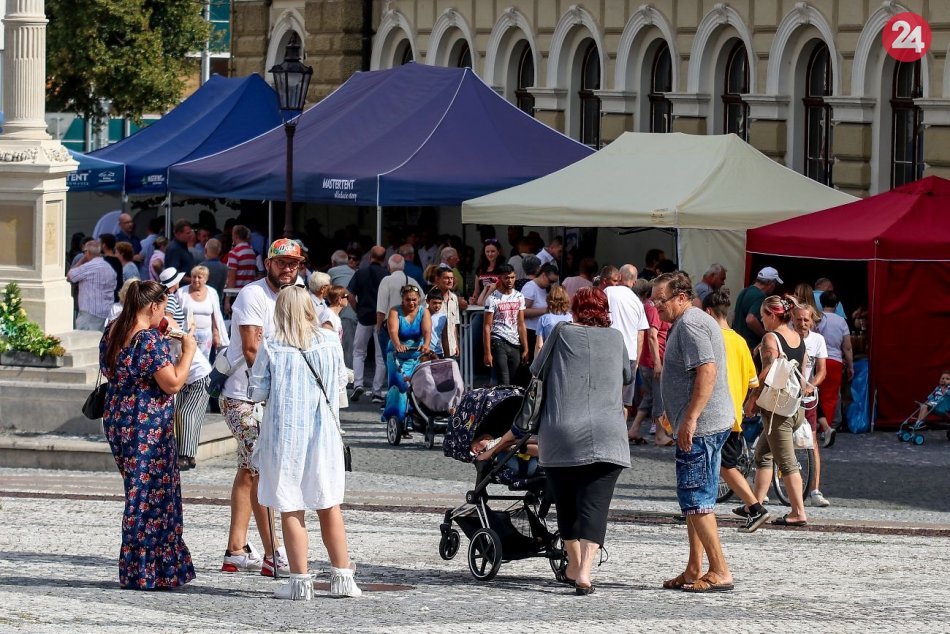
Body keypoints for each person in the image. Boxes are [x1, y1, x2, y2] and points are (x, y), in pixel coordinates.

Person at [480, 286, 631, 595]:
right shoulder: (616, 338)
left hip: (563, 432)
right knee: (595, 506)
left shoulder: (561, 332)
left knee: (566, 503)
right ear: (605, 312)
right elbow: (627, 374)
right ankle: (584, 572)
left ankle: (575, 565)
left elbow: (536, 370)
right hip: (609, 434)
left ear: (575, 310)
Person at [248, 285, 361, 600]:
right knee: (329, 504)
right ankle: (343, 577)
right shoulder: (329, 341)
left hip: (286, 438)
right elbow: (340, 383)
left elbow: (256, 392)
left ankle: (300, 581)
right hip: (323, 435)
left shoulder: (272, 345)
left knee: (291, 506)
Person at [98, 280, 197, 589]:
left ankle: (137, 568)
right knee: (153, 496)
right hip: (147, 426)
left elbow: (108, 368)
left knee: (138, 491)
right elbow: (173, 383)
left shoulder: (114, 329)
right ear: (153, 306)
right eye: (163, 307)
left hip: (118, 419)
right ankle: (151, 571)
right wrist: (188, 351)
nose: (163, 314)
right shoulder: (148, 339)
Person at [219, 239, 304, 577]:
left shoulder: (296, 295)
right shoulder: (253, 295)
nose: (288, 269)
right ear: (268, 263)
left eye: (294, 264)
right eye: (282, 262)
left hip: (270, 397)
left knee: (248, 470)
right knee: (263, 469)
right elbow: (252, 350)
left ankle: (236, 550)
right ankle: (273, 553)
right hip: (244, 394)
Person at [653, 273, 735, 593]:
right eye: (654, 300)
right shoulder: (691, 320)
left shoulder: (690, 324)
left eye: (662, 299)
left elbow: (707, 370)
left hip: (701, 428)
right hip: (704, 423)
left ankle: (720, 570)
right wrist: (673, 411)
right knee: (695, 502)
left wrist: (689, 419)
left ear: (682, 297)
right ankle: (693, 568)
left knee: (696, 498)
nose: (657, 305)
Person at [702, 288, 770, 532]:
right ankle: (703, 507)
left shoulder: (709, 339)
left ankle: (752, 507)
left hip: (711, 411)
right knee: (720, 463)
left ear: (708, 312)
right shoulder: (740, 341)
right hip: (733, 413)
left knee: (718, 464)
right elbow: (753, 381)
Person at [746, 295, 810, 528]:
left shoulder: (771, 338)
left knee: (787, 463)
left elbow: (768, 371)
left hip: (777, 412)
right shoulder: (797, 337)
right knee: (763, 454)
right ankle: (753, 503)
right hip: (794, 407)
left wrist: (753, 399)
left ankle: (798, 512)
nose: (762, 321)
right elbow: (803, 374)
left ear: (772, 315)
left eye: (763, 316)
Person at [602, 264, 648, 429]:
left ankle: (605, 433)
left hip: (608, 352)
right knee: (624, 400)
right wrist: (636, 361)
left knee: (606, 396)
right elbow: (641, 334)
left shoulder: (608, 292)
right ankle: (620, 436)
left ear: (619, 277)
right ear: (634, 282)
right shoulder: (637, 303)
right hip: (629, 355)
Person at [628, 280, 673, 446]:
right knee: (659, 397)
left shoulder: (645, 307)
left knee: (649, 396)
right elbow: (652, 335)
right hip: (655, 359)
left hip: (647, 360)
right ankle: (660, 435)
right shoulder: (653, 309)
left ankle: (634, 428)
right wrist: (657, 363)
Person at [793, 305, 830, 507]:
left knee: (812, 440)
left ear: (813, 321)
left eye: (806, 320)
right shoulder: (787, 336)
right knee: (778, 439)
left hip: (807, 396)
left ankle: (815, 490)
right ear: (793, 319)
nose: (802, 323)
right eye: (799, 319)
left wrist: (810, 385)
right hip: (787, 394)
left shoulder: (817, 340)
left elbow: (821, 371)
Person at [383, 284, 431, 431]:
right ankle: (397, 418)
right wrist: (398, 344)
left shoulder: (423, 312)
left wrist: (426, 345)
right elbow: (393, 331)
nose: (411, 303)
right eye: (408, 300)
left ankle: (415, 418)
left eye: (414, 300)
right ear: (402, 300)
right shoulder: (395, 311)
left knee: (418, 387)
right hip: (397, 355)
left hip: (416, 355)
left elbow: (427, 331)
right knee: (400, 387)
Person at [376, 254, 422, 400]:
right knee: (408, 363)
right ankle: (409, 395)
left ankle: (393, 397)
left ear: (389, 267)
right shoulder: (412, 281)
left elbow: (381, 309)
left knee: (390, 363)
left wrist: (378, 328)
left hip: (390, 326)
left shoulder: (386, 280)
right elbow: (423, 302)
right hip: (409, 327)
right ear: (403, 266)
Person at [347, 246, 388, 402]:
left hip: (363, 316)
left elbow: (350, 295)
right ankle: (377, 392)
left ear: (370, 256)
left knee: (358, 352)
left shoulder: (360, 273)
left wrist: (357, 309)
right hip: (381, 318)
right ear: (384, 259)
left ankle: (358, 383)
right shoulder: (386, 275)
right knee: (380, 356)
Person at [816, 290, 853, 444]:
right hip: (835, 360)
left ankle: (816, 426)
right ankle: (827, 429)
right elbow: (847, 347)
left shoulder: (817, 319)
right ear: (837, 305)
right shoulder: (841, 322)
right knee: (831, 397)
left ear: (821, 303)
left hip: (818, 360)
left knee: (816, 394)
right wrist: (850, 365)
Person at [483, 265, 528, 386]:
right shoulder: (492, 299)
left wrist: (526, 347)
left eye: (512, 277)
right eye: (506, 278)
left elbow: (521, 323)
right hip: (498, 340)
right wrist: (487, 352)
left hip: (515, 341)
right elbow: (487, 326)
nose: (510, 281)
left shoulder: (519, 296)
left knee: (515, 381)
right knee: (504, 380)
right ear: (500, 278)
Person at [178, 265, 228, 359]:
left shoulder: (212, 292)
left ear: (205, 279)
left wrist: (216, 333)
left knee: (204, 362)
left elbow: (216, 316)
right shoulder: (181, 292)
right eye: (194, 277)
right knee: (187, 359)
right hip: (187, 334)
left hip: (206, 335)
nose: (196, 280)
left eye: (199, 277)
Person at [68, 240, 117, 332]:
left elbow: (70, 276)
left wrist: (82, 260)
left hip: (89, 311)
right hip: (106, 311)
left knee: (84, 341)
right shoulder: (109, 268)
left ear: (87, 252)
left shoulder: (89, 267)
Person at [732, 267, 782, 353]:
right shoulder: (761, 297)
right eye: (775, 284)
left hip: (736, 342)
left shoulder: (744, 291)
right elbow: (750, 319)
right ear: (771, 283)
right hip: (749, 346)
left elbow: (734, 316)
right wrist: (764, 334)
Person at [521, 263, 559, 356]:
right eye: (550, 281)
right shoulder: (530, 287)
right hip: (530, 331)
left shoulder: (546, 288)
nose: (551, 284)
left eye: (554, 282)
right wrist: (546, 310)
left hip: (541, 331)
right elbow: (522, 311)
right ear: (543, 275)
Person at [435, 266, 464, 359]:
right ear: (438, 279)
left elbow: (455, 324)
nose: (450, 281)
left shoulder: (454, 298)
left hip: (451, 347)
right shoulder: (430, 298)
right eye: (446, 278)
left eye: (451, 278)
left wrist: (456, 344)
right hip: (436, 348)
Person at [535, 284, 572, 356]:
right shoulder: (570, 318)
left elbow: (539, 345)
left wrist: (536, 363)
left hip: (549, 356)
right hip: (565, 356)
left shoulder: (544, 319)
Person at [470, 238, 504, 305]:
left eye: (493, 251)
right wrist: (473, 299)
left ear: (498, 252)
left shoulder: (503, 269)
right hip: (481, 305)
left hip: (497, 304)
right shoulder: (480, 269)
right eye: (487, 252)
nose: (490, 254)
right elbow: (476, 291)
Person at [164, 220, 196, 286]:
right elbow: (173, 274)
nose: (190, 235)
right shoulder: (174, 249)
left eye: (190, 232)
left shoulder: (183, 246)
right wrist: (193, 280)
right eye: (188, 233)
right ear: (178, 234)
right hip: (179, 289)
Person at [99, 234, 124, 301]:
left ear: (104, 245)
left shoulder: (104, 262)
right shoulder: (118, 261)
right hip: (117, 295)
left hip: (107, 297)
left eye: (100, 243)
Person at [426, 289, 448, 358]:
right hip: (424, 353)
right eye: (434, 303)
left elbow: (444, 337)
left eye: (440, 303)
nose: (437, 306)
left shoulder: (443, 317)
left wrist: (447, 357)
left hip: (438, 352)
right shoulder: (421, 315)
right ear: (427, 301)